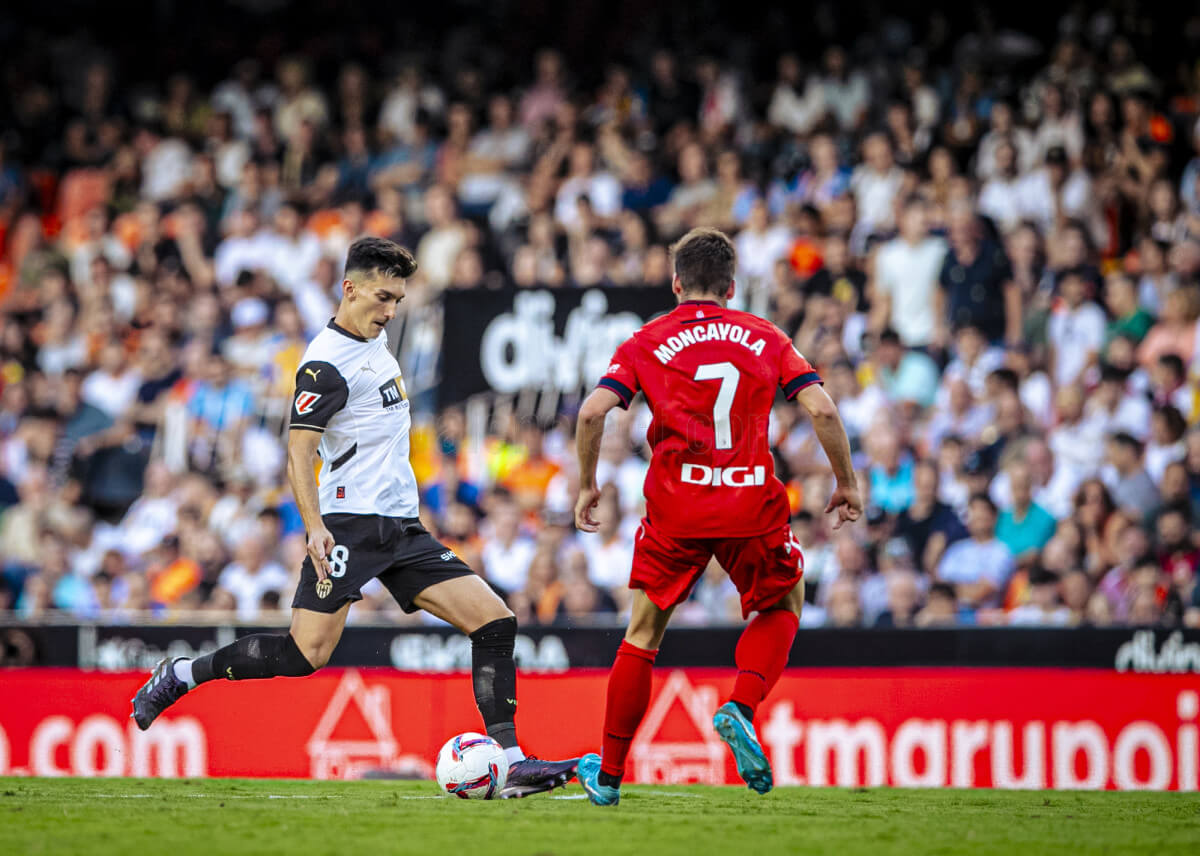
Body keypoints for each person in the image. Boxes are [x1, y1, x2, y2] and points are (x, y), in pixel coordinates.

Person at [131, 237, 577, 797]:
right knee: (302, 655)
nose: (391, 310)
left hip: (402, 527)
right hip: (349, 526)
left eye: (397, 300)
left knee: (495, 622)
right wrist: (314, 525)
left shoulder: (375, 337)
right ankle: (180, 674)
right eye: (383, 297)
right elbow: (298, 452)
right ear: (350, 289)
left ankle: (510, 764)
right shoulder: (324, 366)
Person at [570, 228, 862, 805]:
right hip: (750, 503)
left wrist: (586, 485)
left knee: (643, 635)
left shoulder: (645, 340)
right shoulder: (765, 335)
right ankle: (740, 706)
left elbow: (590, 413)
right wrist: (846, 482)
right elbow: (823, 409)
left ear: (676, 282)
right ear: (731, 287)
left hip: (676, 507)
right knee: (784, 603)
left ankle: (607, 777)